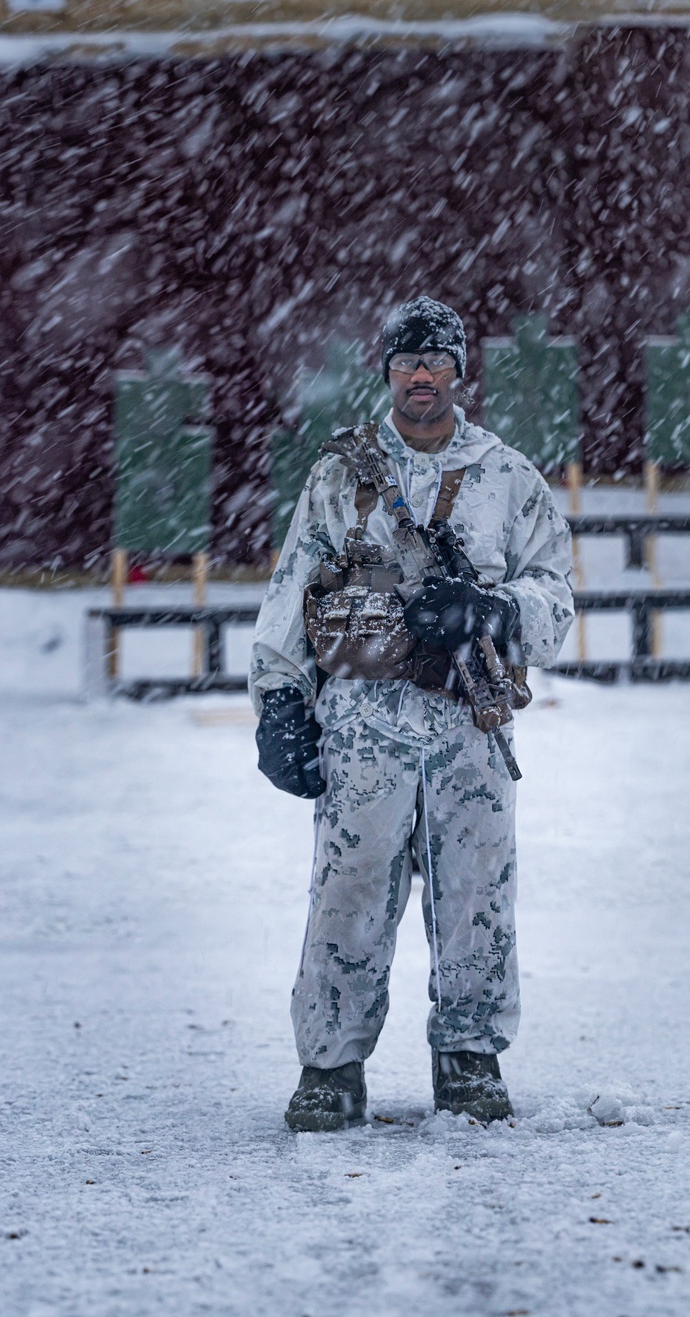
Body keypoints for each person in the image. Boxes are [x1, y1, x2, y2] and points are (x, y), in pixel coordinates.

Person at [251, 296, 573, 1131]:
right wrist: (280, 698)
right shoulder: (340, 471)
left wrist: (493, 612)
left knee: (477, 889)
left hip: (470, 718)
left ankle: (469, 1055)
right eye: (406, 361)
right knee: (349, 888)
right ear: (386, 369)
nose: (421, 375)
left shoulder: (509, 476)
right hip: (361, 721)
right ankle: (329, 1064)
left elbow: (556, 594)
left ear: (460, 372)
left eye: (436, 361)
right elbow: (295, 586)